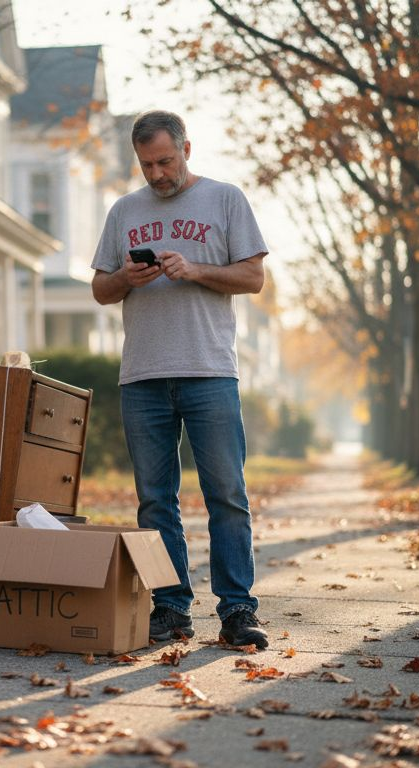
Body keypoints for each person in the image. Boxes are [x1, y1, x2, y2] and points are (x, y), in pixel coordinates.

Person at [90, 110, 269, 649]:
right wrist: (127, 277)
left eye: (166, 161)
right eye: (147, 164)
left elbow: (254, 277)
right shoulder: (124, 210)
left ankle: (238, 609)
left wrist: (195, 270)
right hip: (142, 375)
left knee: (226, 494)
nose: (157, 173)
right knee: (154, 502)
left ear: (187, 148)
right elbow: (101, 288)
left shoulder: (225, 199)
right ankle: (171, 608)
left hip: (209, 370)